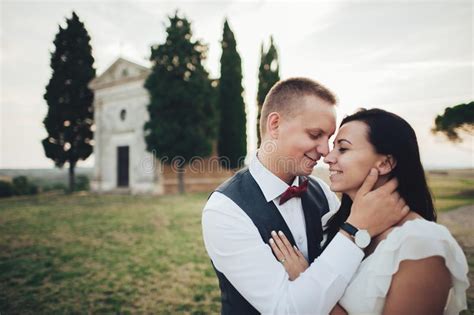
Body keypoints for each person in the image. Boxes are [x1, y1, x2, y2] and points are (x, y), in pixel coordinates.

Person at [202, 78, 409, 314]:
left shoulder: (322, 191)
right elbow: (285, 309)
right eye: (315, 135)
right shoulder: (225, 210)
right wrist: (353, 231)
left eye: (329, 139)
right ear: (275, 125)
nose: (325, 151)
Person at [270, 108, 469, 315]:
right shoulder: (334, 224)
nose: (327, 157)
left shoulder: (420, 242)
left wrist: (306, 280)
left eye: (343, 149)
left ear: (385, 163)